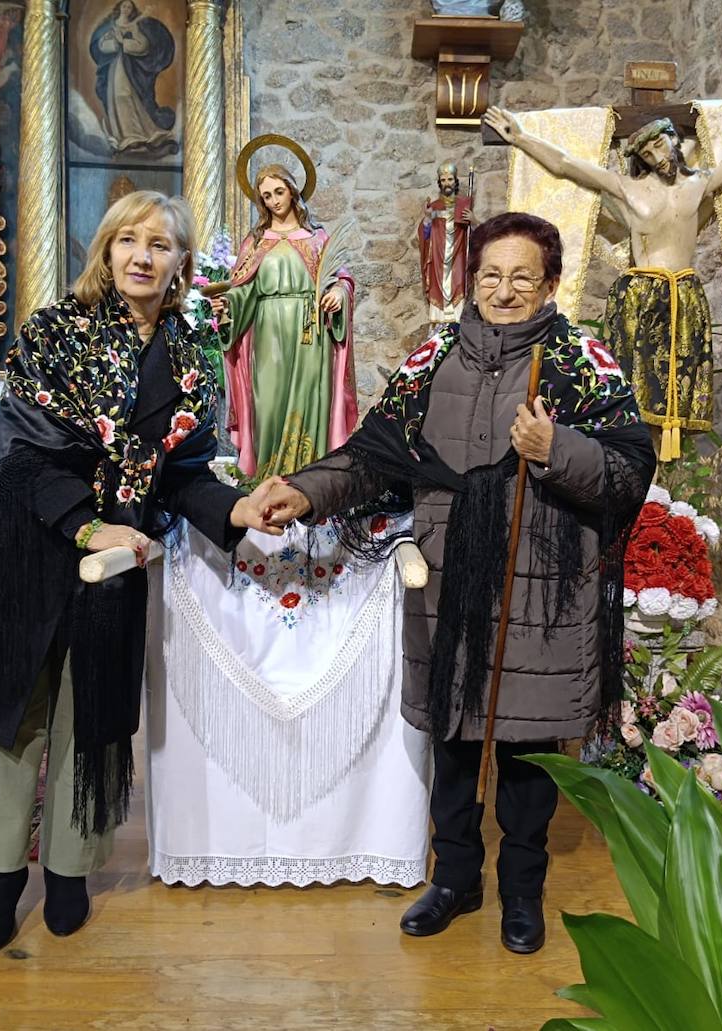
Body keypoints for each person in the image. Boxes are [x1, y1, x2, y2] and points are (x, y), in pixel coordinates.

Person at [257, 213, 657, 953]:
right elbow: (374, 454)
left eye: (522, 277)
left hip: (543, 595)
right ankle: (456, 878)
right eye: (491, 276)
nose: (505, 291)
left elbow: (631, 470)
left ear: (551, 285)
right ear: (471, 280)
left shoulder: (581, 360)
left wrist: (555, 447)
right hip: (446, 580)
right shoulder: (430, 357)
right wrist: (306, 492)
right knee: (454, 741)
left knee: (530, 755)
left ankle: (522, 894)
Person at [0, 191, 280, 956]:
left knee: (91, 712)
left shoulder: (191, 354)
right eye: (128, 240)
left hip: (111, 563)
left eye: (161, 244)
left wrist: (235, 511)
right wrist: (88, 521)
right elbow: (24, 451)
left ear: (182, 263)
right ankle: (1, 877)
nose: (143, 255)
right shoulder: (54, 331)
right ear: (106, 251)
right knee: (5, 714)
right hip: (23, 539)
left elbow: (182, 471)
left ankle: (72, 867)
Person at [484, 96, 722, 460]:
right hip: (639, 298)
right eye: (648, 151)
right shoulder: (627, 189)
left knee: (673, 398)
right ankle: (631, 472)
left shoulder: (700, 184)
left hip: (683, 296)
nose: (658, 155)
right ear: (640, 159)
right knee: (632, 394)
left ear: (675, 140)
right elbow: (566, 165)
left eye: (661, 143)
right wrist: (519, 137)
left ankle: (660, 486)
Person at [215, 163, 357, 481]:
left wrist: (338, 292)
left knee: (311, 402)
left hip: (311, 332)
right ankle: (266, 478)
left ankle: (310, 479)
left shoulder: (317, 238)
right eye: (266, 196)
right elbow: (242, 292)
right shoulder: (254, 244)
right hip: (267, 334)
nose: (274, 201)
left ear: (292, 192)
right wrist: (227, 307)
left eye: (279, 192)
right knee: (267, 403)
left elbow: (343, 279)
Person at [90, 0, 176, 154]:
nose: (126, 9)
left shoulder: (134, 26)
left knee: (127, 95)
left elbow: (142, 45)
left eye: (129, 7)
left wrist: (123, 41)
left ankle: (136, 134)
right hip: (115, 67)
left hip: (129, 69)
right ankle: (122, 136)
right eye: (124, 6)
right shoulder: (111, 26)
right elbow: (102, 46)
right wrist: (114, 42)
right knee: (116, 98)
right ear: (119, 8)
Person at [418, 161, 473, 323]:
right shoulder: (433, 207)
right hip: (438, 258)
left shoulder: (463, 205)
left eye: (450, 179)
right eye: (443, 180)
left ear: (455, 181)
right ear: (439, 183)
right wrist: (427, 218)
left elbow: (473, 236)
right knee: (438, 286)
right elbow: (425, 236)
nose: (446, 183)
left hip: (458, 256)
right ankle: (438, 326)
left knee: (458, 285)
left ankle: (458, 324)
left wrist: (473, 220)